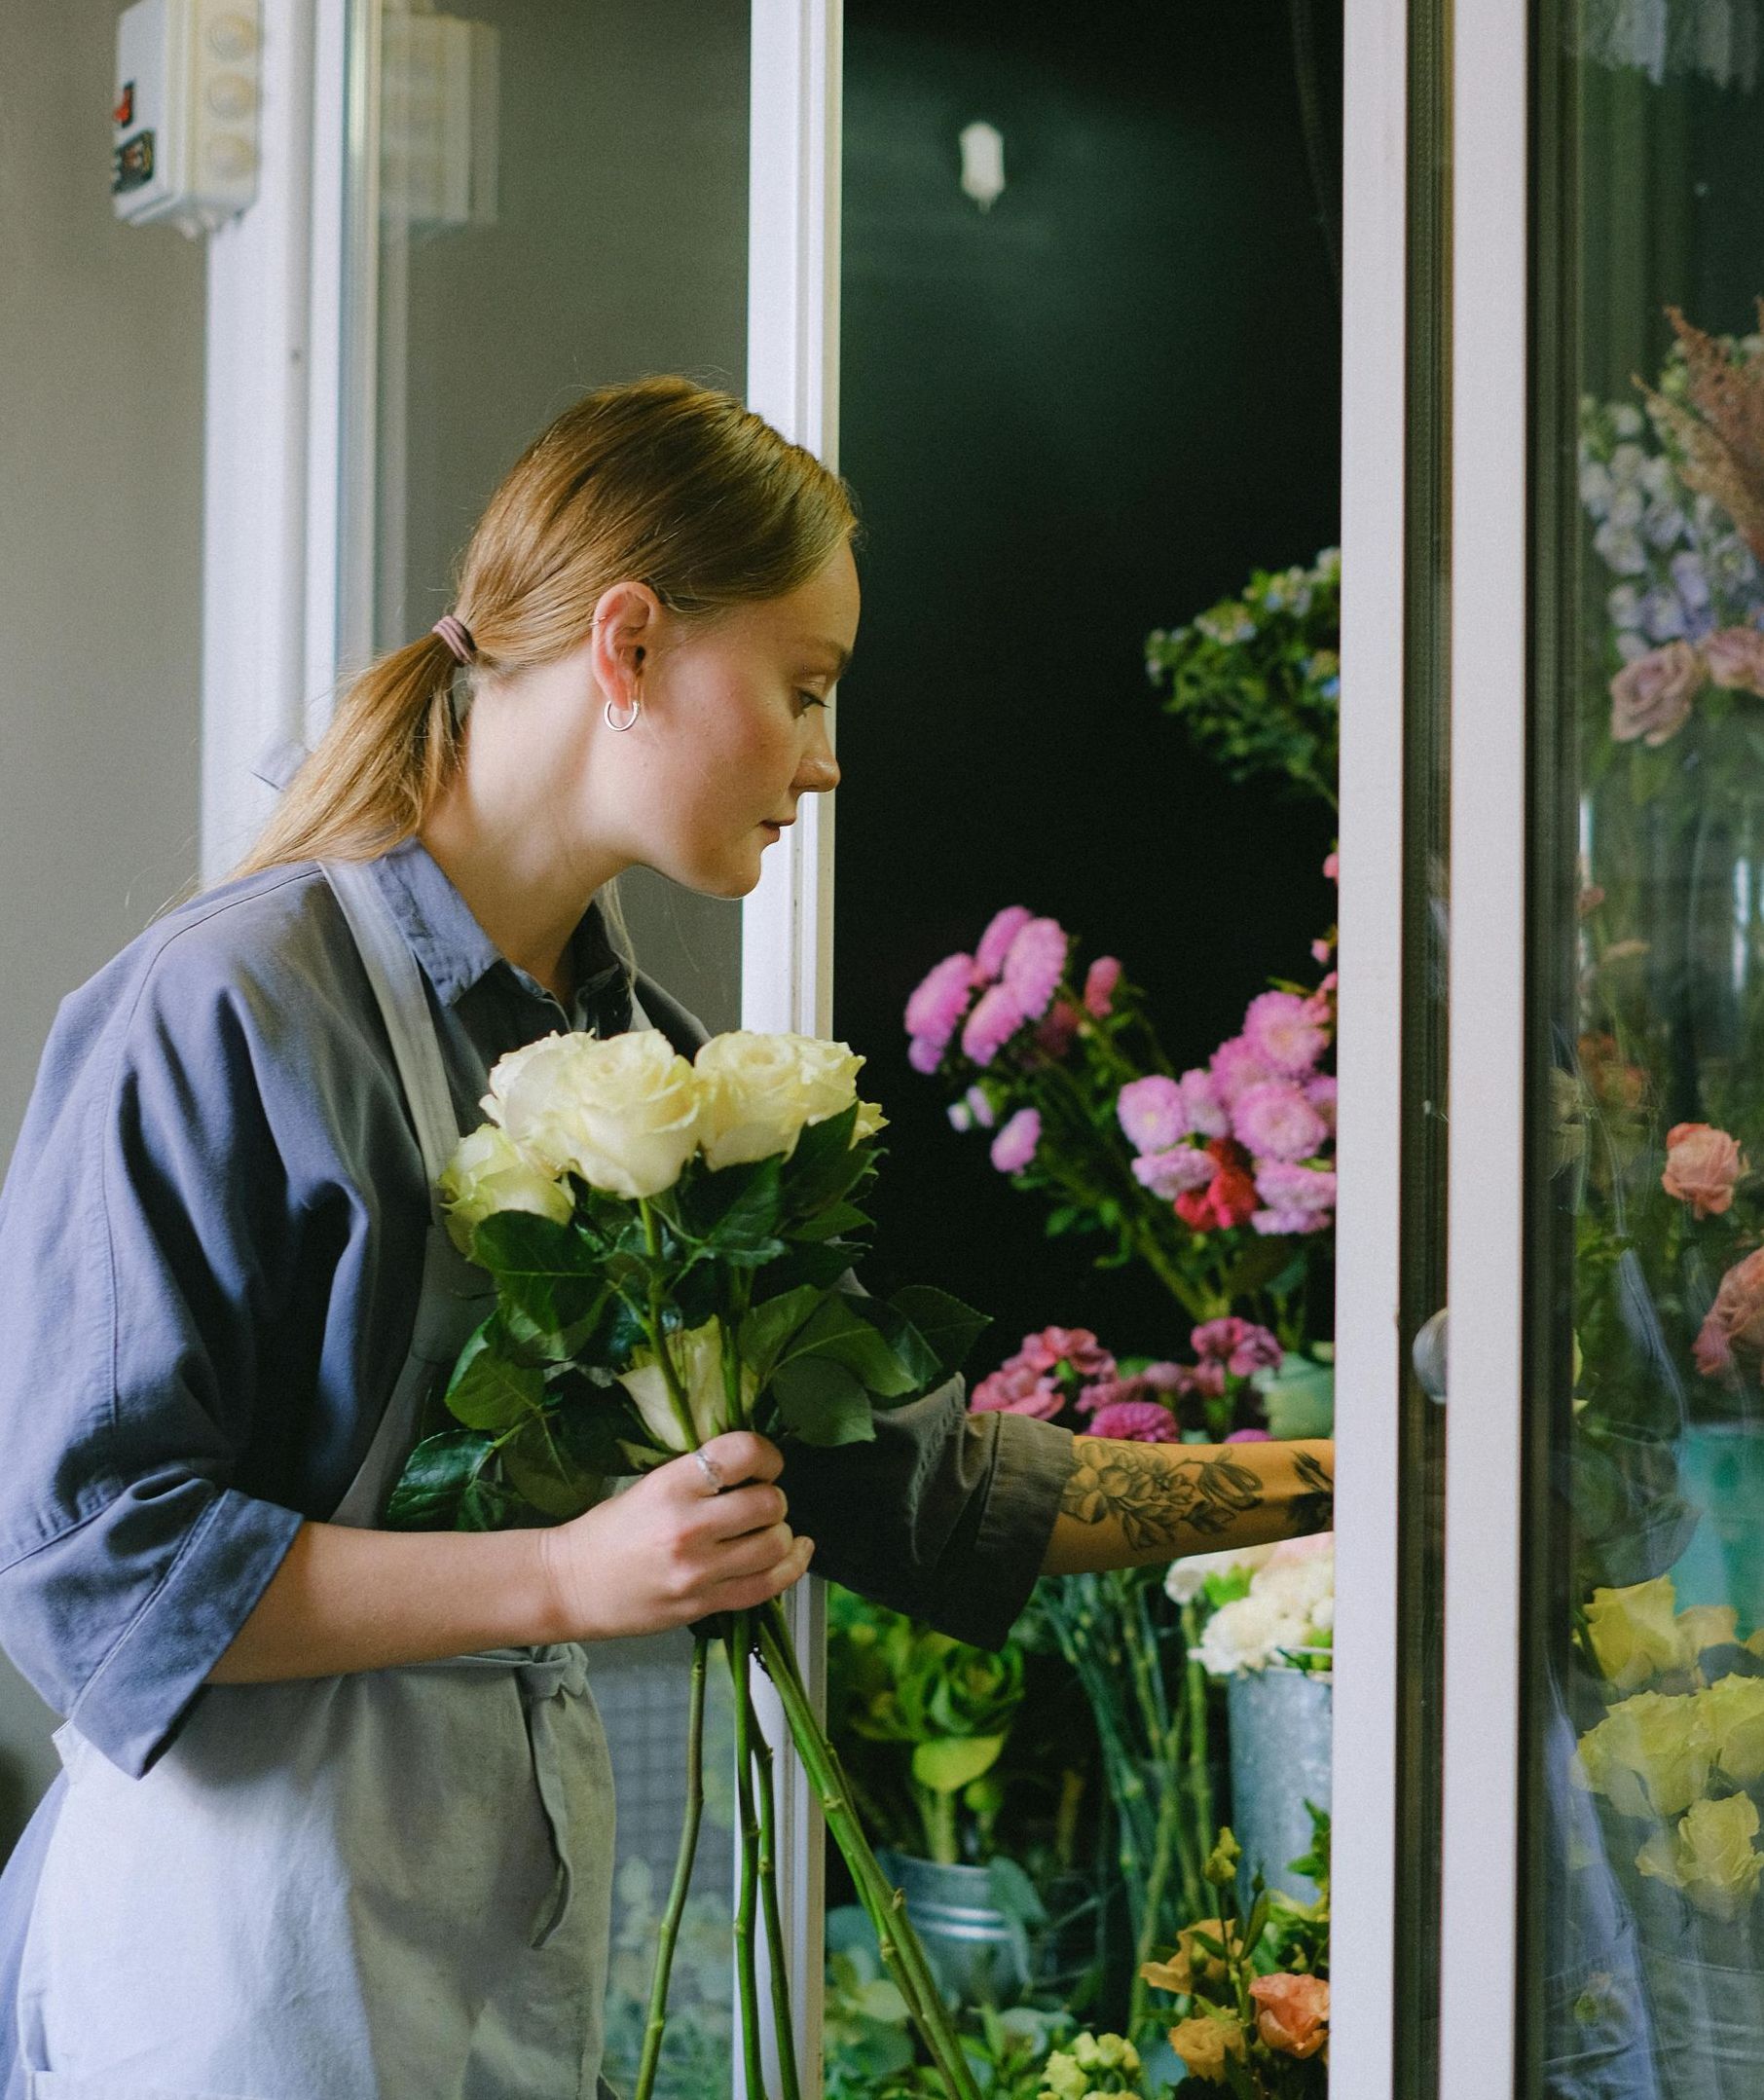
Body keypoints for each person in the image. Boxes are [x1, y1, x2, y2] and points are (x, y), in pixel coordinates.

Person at [0, 375, 1333, 2097]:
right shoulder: (231, 1005)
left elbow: (922, 1489)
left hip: (505, 1928)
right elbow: (93, 1571)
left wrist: (1344, 1478)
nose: (828, 756)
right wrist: (566, 1574)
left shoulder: (670, 1082)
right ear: (627, 646)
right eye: (802, 688)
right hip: (228, 1966)